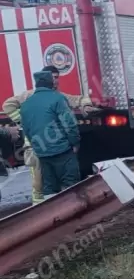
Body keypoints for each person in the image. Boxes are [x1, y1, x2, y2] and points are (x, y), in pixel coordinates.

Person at [2, 65, 95, 204]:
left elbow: (80, 99)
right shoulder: (28, 95)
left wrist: (86, 105)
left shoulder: (59, 96)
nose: (56, 81)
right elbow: (8, 105)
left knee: (49, 185)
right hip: (35, 149)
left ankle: (52, 209)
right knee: (39, 184)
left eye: (57, 77)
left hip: (43, 148)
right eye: (53, 78)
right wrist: (21, 119)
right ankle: (41, 209)